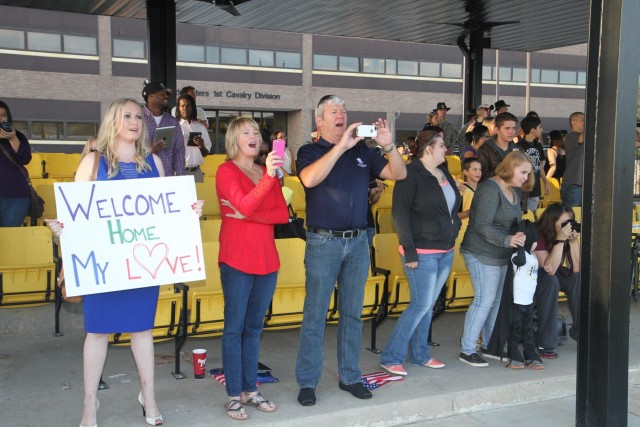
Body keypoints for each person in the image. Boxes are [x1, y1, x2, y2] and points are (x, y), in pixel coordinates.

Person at [47, 98, 203, 427]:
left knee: (142, 332)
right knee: (97, 333)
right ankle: (90, 404)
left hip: (142, 265)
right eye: (126, 116)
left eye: (138, 116)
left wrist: (189, 214)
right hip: (104, 265)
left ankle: (149, 397)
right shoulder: (93, 162)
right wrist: (62, 230)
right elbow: (75, 218)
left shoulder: (155, 164)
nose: (134, 121)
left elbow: (168, 216)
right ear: (113, 122)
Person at [295, 95, 406, 406]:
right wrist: (341, 146)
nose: (341, 115)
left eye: (343, 111)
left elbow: (399, 174)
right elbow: (309, 178)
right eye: (334, 111)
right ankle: (307, 381)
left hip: (357, 241)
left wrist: (388, 146)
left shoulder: (364, 151)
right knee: (315, 315)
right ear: (320, 121)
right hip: (323, 242)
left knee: (353, 315)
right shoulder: (309, 151)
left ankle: (350, 376)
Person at [215, 117, 289, 420]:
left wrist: (248, 215)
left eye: (257, 132)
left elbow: (282, 214)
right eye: (246, 132)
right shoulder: (225, 171)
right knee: (234, 329)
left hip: (266, 260)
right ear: (234, 138)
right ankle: (234, 394)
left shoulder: (264, 172)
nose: (253, 136)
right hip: (236, 259)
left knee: (254, 329)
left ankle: (250, 388)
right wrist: (253, 205)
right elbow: (245, 205)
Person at [379, 130, 461, 376]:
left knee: (427, 305)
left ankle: (420, 354)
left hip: (445, 249)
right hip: (422, 251)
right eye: (442, 145)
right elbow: (399, 214)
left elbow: (450, 208)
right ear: (429, 148)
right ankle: (391, 356)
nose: (446, 149)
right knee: (420, 304)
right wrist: (410, 251)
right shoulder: (410, 173)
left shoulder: (443, 172)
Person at [459, 151, 534, 367]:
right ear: (510, 168)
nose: (525, 177)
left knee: (496, 302)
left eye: (527, 173)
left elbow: (512, 222)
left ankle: (490, 345)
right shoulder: (490, 189)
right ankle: (468, 349)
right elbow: (482, 225)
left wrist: (517, 235)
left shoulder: (512, 191)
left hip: (500, 254)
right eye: (523, 172)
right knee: (484, 301)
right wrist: (508, 239)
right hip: (480, 252)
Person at [533, 203, 580, 359]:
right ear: (552, 221)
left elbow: (576, 269)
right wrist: (560, 241)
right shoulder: (538, 232)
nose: (567, 227)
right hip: (533, 275)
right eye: (563, 223)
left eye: (570, 222)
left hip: (550, 272)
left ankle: (580, 331)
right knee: (552, 281)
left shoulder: (563, 234)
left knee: (576, 280)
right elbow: (548, 268)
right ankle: (545, 342)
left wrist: (572, 242)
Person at [142, 81, 186, 176]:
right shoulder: (137, 119)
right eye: (162, 94)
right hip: (142, 177)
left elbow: (179, 151)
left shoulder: (172, 122)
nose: (166, 96)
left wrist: (180, 176)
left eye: (167, 94)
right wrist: (148, 153)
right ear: (151, 97)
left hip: (166, 179)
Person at [0, 100, 32, 227]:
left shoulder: (18, 136)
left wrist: (13, 139)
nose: (0, 118)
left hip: (16, 196)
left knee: (10, 238)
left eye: (3, 115)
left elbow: (25, 159)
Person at [516, 116, 550, 212]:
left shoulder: (538, 146)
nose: (542, 129)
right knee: (522, 215)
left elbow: (540, 166)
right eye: (539, 127)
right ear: (532, 130)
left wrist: (546, 182)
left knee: (532, 216)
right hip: (523, 188)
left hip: (536, 188)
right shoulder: (519, 146)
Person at [175, 94, 212, 182]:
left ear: (192, 108)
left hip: (197, 172)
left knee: (199, 196)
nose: (185, 108)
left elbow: (205, 153)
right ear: (178, 108)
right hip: (180, 172)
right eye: (182, 105)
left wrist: (201, 145)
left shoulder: (200, 127)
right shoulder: (174, 127)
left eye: (188, 105)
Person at [477, 112, 518, 183]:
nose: (511, 132)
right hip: (492, 191)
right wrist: (506, 169)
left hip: (513, 192)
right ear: (496, 130)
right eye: (507, 128)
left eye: (513, 128)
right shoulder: (485, 150)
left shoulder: (518, 150)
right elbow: (482, 177)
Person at [561, 112, 585, 207]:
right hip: (573, 183)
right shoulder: (571, 137)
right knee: (570, 214)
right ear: (573, 122)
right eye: (583, 120)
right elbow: (583, 138)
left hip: (581, 183)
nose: (586, 122)